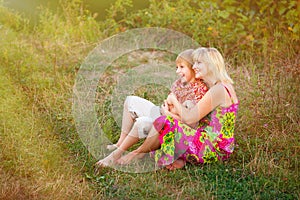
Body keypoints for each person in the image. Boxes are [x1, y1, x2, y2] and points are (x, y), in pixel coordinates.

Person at [118, 47, 239, 170]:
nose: (194, 66)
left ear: (211, 65)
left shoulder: (219, 90)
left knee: (164, 122)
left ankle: (136, 154)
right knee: (166, 122)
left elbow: (190, 118)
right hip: (213, 141)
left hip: (214, 147)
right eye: (194, 62)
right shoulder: (219, 86)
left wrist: (174, 102)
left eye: (199, 63)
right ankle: (177, 158)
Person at [96, 49, 208, 167]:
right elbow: (168, 102)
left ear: (192, 67)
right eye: (176, 67)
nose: (178, 71)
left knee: (142, 122)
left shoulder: (200, 91)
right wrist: (167, 109)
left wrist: (168, 113)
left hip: (171, 126)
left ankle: (116, 155)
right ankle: (120, 142)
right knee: (130, 101)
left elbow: (189, 123)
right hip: (162, 113)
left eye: (181, 67)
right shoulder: (179, 84)